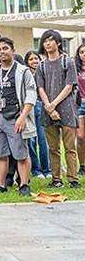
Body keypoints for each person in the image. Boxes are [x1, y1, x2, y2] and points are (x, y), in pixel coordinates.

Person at [0, 37, 35, 196]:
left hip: (15, 115)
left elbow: (31, 96)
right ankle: (0, 184)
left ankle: (24, 184)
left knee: (21, 153)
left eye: (5, 48)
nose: (2, 52)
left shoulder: (22, 71)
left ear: (13, 50)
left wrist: (22, 117)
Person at [35, 29, 80, 188]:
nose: (47, 43)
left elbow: (69, 86)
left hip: (67, 109)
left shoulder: (68, 61)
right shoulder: (41, 65)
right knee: (53, 148)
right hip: (48, 111)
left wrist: (53, 105)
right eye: (45, 41)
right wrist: (49, 107)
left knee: (70, 147)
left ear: (58, 42)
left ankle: (73, 179)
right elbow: (40, 87)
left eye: (50, 40)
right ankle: (56, 179)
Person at [25, 50, 51, 179]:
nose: (34, 61)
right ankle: (36, 169)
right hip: (29, 107)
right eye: (31, 59)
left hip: (42, 106)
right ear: (27, 62)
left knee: (43, 140)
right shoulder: (25, 74)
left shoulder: (44, 73)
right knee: (31, 140)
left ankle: (47, 169)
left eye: (36, 58)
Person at [74, 44, 85, 177]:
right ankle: (82, 166)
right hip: (80, 104)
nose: (84, 54)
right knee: (81, 137)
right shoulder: (75, 69)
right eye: (81, 52)